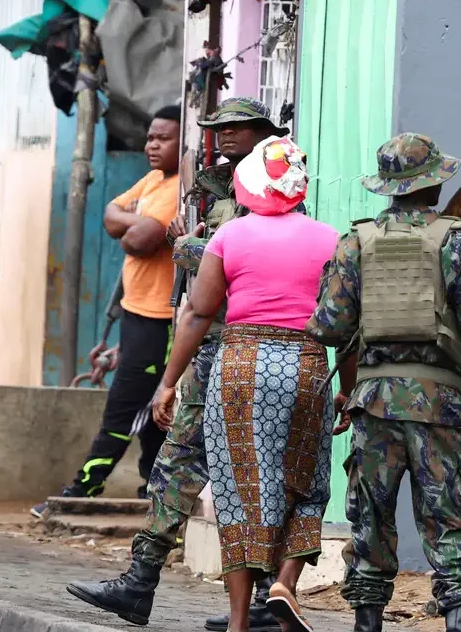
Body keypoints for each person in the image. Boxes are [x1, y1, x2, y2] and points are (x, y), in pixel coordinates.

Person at [65, 97, 288, 632]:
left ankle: (261, 600)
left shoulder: (277, 183)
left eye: (240, 127)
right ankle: (140, 583)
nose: (227, 135)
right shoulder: (217, 185)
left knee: (252, 476)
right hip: (211, 343)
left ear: (263, 131)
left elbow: (229, 255)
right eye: (221, 127)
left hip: (251, 342)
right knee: (177, 463)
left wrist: (188, 245)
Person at [306, 133, 461, 632]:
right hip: (439, 403)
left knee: (370, 518)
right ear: (435, 183)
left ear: (388, 189)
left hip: (372, 403)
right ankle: (459, 621)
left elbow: (329, 326)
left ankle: (367, 623)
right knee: (451, 515)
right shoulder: (457, 238)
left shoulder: (355, 242)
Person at [150, 136, 339, 632]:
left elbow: (197, 313)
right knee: (306, 481)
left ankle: (237, 622)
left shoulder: (229, 236)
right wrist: (348, 387)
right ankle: (284, 584)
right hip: (305, 365)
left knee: (240, 490)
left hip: (239, 366)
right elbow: (347, 323)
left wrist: (167, 383)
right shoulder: (330, 239)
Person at [30, 106, 181, 519]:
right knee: (149, 411)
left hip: (161, 320)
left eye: (163, 138)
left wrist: (134, 226)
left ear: (182, 142)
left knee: (125, 407)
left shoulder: (178, 190)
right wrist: (135, 224)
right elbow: (111, 216)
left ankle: (83, 489)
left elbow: (141, 239)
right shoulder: (154, 180)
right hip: (136, 314)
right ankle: (153, 489)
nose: (152, 144)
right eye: (150, 137)